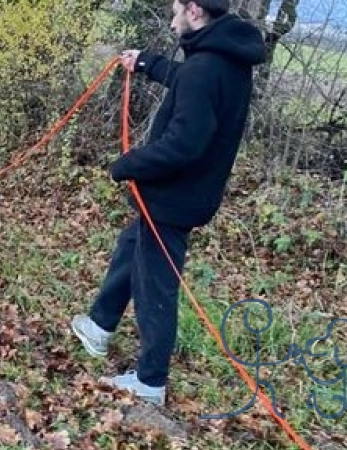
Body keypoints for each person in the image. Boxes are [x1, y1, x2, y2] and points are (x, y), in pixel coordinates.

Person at [70, 0, 266, 406]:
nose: (173, 17)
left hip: (173, 198)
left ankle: (150, 381)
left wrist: (127, 164)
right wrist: (146, 63)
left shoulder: (205, 67)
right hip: (185, 195)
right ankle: (99, 325)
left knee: (156, 287)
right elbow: (189, 82)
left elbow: (183, 145)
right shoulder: (226, 58)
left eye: (177, 8)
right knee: (132, 247)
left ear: (194, 10)